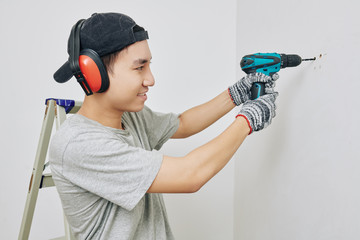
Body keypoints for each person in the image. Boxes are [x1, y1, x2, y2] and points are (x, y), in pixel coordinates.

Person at [49, 12, 278, 240]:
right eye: (139, 68)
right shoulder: (79, 144)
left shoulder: (129, 116)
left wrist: (236, 94)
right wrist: (248, 119)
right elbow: (191, 175)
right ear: (94, 74)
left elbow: (182, 124)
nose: (151, 79)